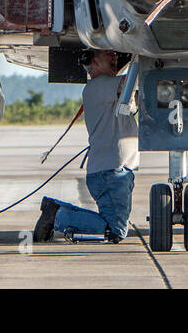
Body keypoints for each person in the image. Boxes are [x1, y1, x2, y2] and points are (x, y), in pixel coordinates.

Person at [34, 49, 139, 243]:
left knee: (112, 224)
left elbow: (135, 95)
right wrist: (146, 56)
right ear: (94, 61)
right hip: (112, 172)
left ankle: (55, 208)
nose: (115, 56)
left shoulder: (109, 89)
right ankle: (56, 217)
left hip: (113, 171)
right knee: (116, 231)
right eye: (108, 53)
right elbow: (130, 82)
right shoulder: (100, 86)